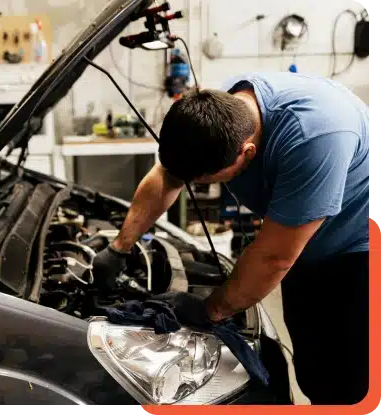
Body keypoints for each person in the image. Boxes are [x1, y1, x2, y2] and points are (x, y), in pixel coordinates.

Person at [91, 72, 370, 405]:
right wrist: (119, 247)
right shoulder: (219, 109)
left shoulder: (316, 139)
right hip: (305, 245)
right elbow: (166, 177)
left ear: (247, 153)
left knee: (349, 376)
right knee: (312, 362)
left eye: (202, 180)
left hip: (359, 250)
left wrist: (211, 309)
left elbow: (274, 257)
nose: (189, 184)